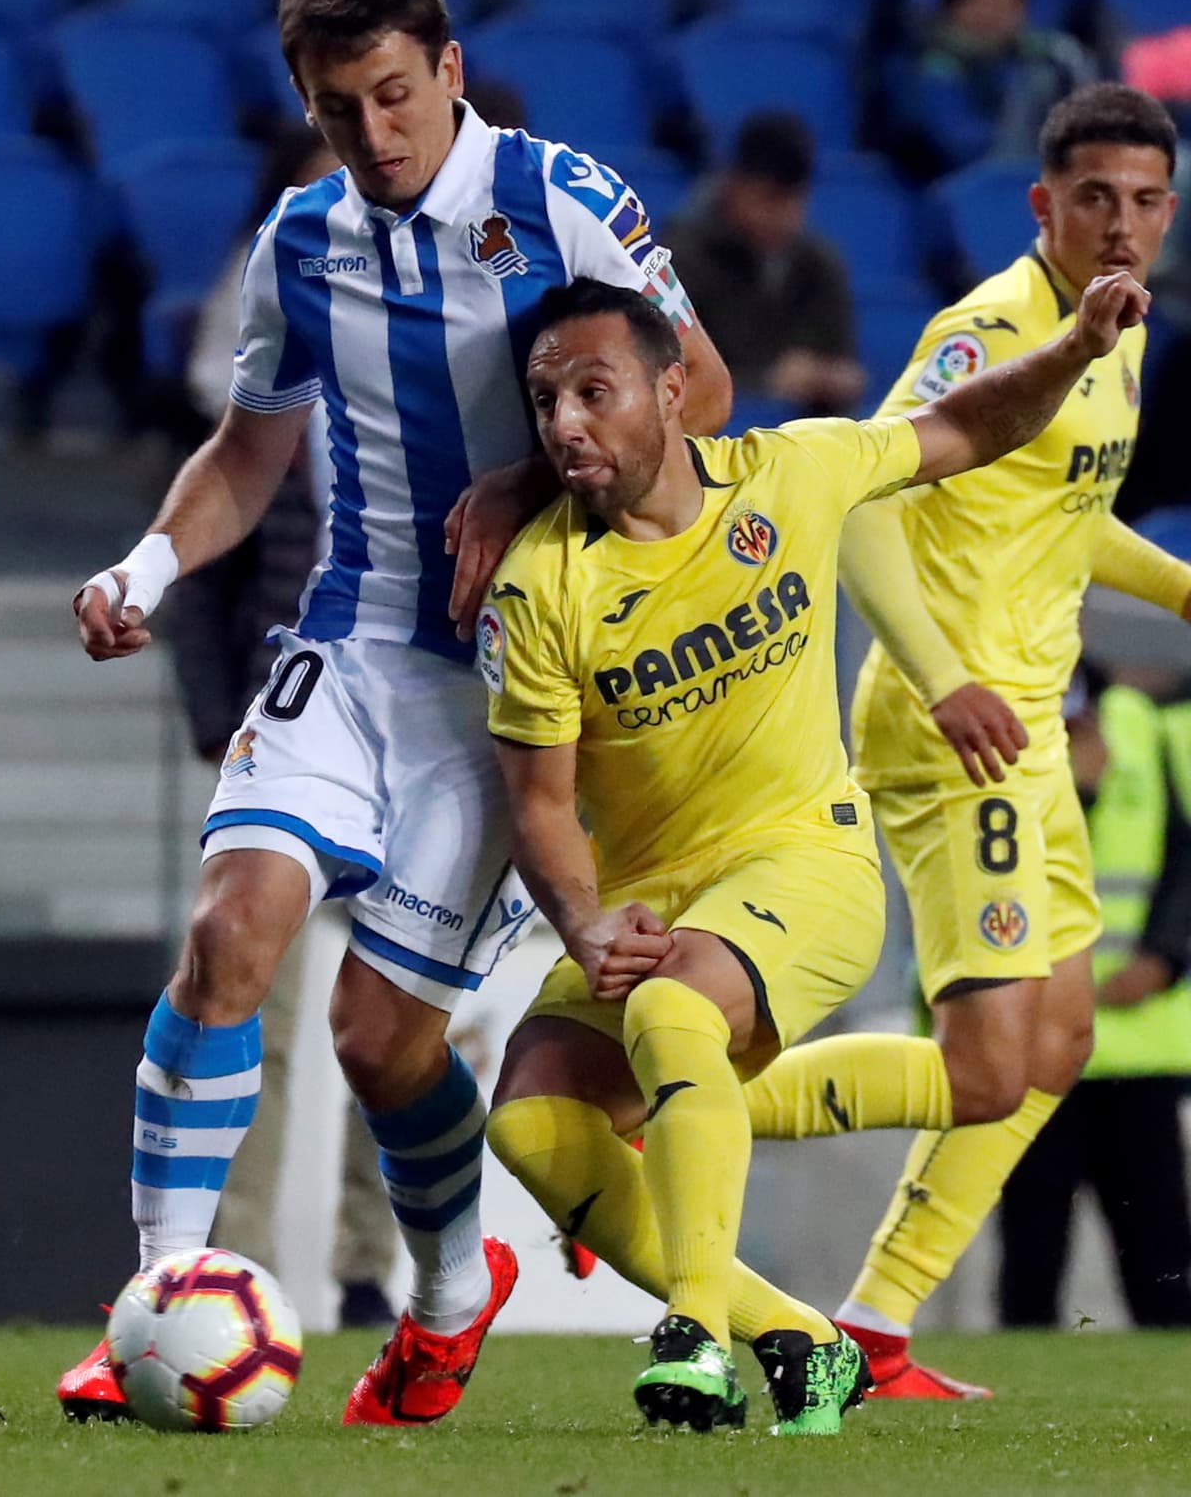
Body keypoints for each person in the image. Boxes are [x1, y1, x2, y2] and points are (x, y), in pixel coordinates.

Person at [58, 0, 731, 1426]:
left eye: (390, 96)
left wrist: (524, 479)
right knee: (229, 934)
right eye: (334, 108)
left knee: (379, 1038)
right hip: (349, 649)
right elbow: (246, 455)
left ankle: (442, 1289)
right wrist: (148, 572)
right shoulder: (301, 240)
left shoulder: (561, 201)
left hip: (505, 693)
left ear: (448, 70)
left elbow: (708, 394)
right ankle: (158, 1298)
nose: (372, 137)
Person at [481, 269, 1146, 1432]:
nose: (566, 425)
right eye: (546, 404)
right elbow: (538, 804)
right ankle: (796, 1335)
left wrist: (1076, 347)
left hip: (806, 861)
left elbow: (966, 424)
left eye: (595, 390)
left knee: (671, 1014)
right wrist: (584, 924)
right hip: (650, 892)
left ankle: (689, 1333)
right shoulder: (538, 585)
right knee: (531, 1122)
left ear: (674, 389)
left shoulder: (791, 472)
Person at [737, 83, 1191, 1399]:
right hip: (957, 726)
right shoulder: (989, 327)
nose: (1120, 224)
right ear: (1044, 204)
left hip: (1032, 723)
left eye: (1145, 201)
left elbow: (1058, 513)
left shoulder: (1121, 337)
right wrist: (941, 677)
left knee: (1056, 1048)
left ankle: (876, 1327)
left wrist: (1175, 588)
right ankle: (690, 1099)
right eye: (1093, 198)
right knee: (990, 1064)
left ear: (1169, 214)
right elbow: (868, 499)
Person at [171, 123, 397, 1331]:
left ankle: (370, 1269)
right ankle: (229, 1265)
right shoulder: (257, 406)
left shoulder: (437, 393)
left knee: (394, 1016)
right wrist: (219, 719)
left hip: (414, 738)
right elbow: (202, 580)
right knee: (242, 997)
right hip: (284, 737)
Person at [998, 662, 1191, 1328]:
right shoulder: (986, 709)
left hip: (1137, 1047)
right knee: (1031, 1257)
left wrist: (1165, 958)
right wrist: (1077, 794)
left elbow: (1181, 855)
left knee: (1162, 1260)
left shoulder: (1141, 722)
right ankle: (1020, 1413)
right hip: (1031, 1043)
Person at [660, 112, 865, 417]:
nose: (784, 215)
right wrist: (765, 381)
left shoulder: (818, 263)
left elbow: (841, 362)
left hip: (800, 441)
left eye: (795, 200)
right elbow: (664, 374)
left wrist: (830, 379)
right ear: (735, 184)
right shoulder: (680, 257)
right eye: (769, 199)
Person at [884, 0, 1096, 184]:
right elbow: (959, 141)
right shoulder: (934, 66)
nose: (999, 10)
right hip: (959, 187)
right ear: (957, 5)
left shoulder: (1044, 59)